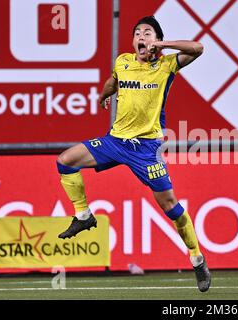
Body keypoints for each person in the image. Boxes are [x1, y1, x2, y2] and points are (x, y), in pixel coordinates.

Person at [55, 16, 210, 292]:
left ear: (156, 40)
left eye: (147, 32)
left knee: (171, 208)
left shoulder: (166, 64)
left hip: (146, 150)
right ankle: (83, 215)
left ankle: (197, 258)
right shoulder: (123, 61)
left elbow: (198, 48)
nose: (141, 36)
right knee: (65, 161)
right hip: (115, 142)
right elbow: (114, 81)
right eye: (137, 32)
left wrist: (161, 44)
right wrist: (103, 96)